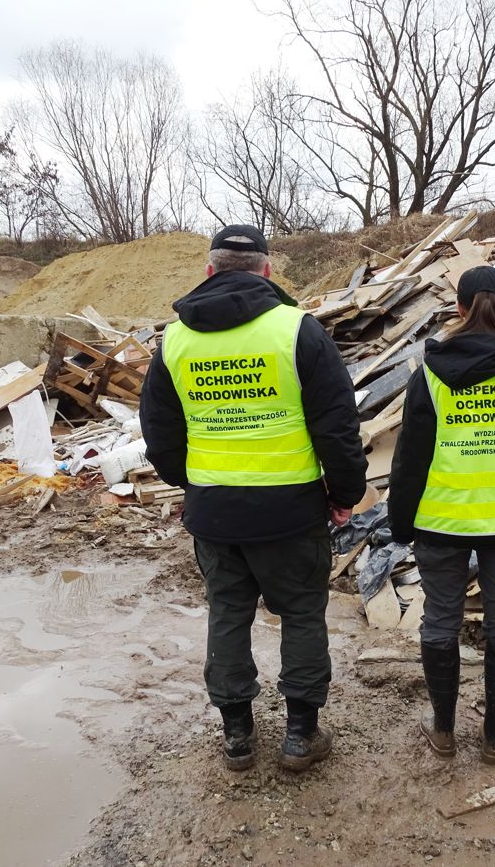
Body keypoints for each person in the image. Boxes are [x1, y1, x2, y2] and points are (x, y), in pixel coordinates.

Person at [140, 224, 367, 773]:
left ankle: (237, 737)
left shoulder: (175, 341)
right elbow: (337, 425)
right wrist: (344, 494)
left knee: (228, 614)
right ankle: (299, 736)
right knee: (303, 615)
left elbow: (160, 433)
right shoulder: (298, 331)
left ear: (209, 270)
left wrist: (193, 482)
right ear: (268, 271)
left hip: (216, 513)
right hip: (290, 511)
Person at [388, 266, 495, 764]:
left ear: (460, 309)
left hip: (442, 520)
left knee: (440, 621)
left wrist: (402, 523)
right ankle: (494, 738)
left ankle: (443, 730)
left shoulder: (431, 369)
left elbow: (411, 456)